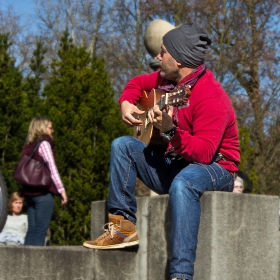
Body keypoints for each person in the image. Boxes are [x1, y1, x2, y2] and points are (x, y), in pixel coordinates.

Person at [83, 22, 241, 280]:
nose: (157, 56)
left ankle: (181, 274)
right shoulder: (165, 80)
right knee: (122, 145)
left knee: (184, 183)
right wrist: (125, 103)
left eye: (163, 52)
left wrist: (169, 131)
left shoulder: (212, 96)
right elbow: (137, 84)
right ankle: (122, 229)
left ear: (178, 60)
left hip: (218, 168)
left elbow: (204, 152)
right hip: (177, 163)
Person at [20, 117, 67, 246]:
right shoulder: (44, 144)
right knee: (41, 231)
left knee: (31, 231)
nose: (53, 131)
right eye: (50, 128)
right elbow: (52, 169)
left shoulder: (27, 145)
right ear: (42, 128)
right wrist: (61, 190)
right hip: (43, 192)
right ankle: (36, 264)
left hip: (29, 193)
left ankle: (25, 262)